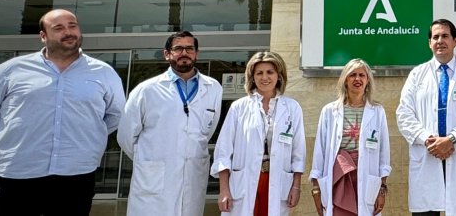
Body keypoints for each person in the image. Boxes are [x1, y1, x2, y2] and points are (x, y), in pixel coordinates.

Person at [0, 8, 125, 216]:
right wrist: (19, 134)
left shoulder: (104, 73)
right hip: (17, 173)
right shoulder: (11, 70)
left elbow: (116, 115)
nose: (69, 32)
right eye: (59, 28)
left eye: (73, 26)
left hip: (76, 174)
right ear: (43, 36)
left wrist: (86, 137)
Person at [118, 30, 223, 216]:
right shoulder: (147, 90)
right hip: (154, 176)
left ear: (196, 53)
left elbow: (207, 130)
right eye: (178, 48)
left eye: (190, 48)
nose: (185, 53)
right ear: (167, 54)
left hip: (193, 171)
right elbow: (126, 136)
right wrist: (148, 160)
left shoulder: (213, 87)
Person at [396, 18, 456, 216]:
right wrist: (429, 141)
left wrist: (452, 139)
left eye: (445, 36)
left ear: (455, 40)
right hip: (427, 154)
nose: (440, 41)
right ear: (429, 43)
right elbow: (404, 114)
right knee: (426, 212)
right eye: (435, 37)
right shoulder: (417, 75)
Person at [212, 51, 307, 216]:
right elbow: (223, 151)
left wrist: (296, 186)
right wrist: (224, 189)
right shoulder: (239, 107)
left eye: (270, 72)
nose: (265, 77)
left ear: (279, 75)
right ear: (252, 77)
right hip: (244, 181)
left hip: (277, 180)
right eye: (259, 73)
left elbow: (298, 153)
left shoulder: (292, 108)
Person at [311, 59, 391, 216]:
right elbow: (319, 151)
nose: (357, 79)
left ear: (368, 81)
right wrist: (316, 188)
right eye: (352, 75)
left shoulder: (377, 111)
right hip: (339, 175)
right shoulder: (329, 111)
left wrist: (382, 188)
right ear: (345, 80)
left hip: (367, 174)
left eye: (362, 75)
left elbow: (384, 152)